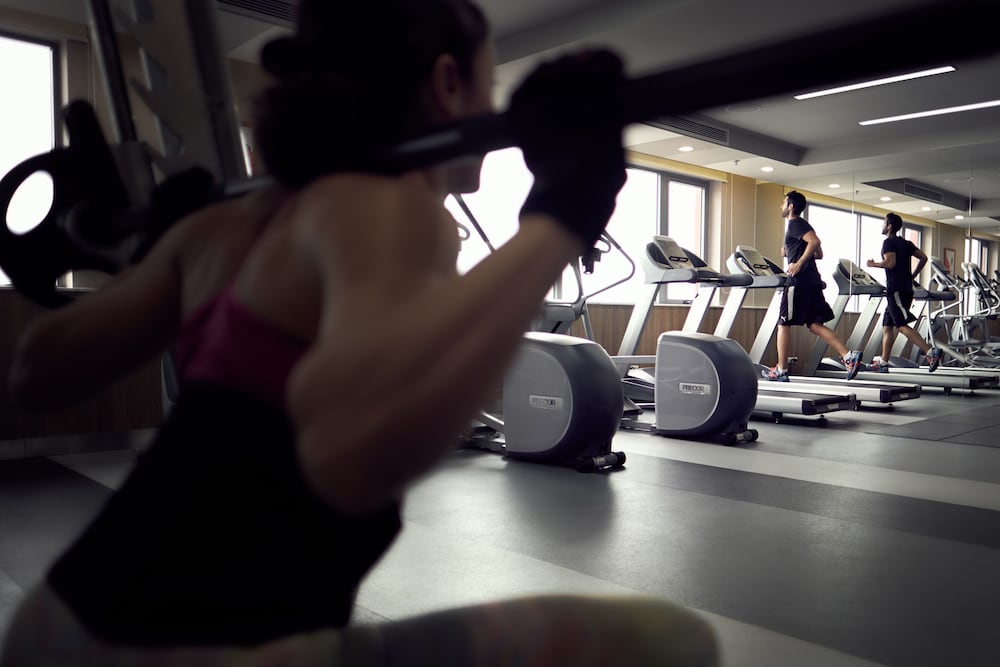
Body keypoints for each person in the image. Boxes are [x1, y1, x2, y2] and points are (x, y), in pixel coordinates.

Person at [0, 1, 718, 665]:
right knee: (668, 642)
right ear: (447, 84)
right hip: (184, 652)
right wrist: (563, 215)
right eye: (487, 84)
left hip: (56, 626)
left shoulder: (218, 226)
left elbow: (37, 373)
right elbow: (348, 451)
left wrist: (152, 253)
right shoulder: (387, 205)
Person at [763, 190, 862, 382]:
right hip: (812, 281)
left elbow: (815, 242)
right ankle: (849, 356)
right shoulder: (803, 225)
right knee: (815, 325)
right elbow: (818, 253)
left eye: (784, 202)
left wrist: (798, 263)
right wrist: (791, 252)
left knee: (783, 324)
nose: (781, 205)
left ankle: (781, 369)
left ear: (791, 206)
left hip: (799, 281)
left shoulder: (795, 224)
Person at [865, 212, 941, 372]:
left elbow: (890, 263)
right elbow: (923, 258)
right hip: (904, 288)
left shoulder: (888, 242)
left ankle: (930, 352)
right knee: (887, 326)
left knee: (901, 326)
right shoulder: (906, 243)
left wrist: (873, 264)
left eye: (884, 222)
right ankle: (884, 361)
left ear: (889, 226)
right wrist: (912, 276)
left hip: (896, 290)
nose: (882, 225)